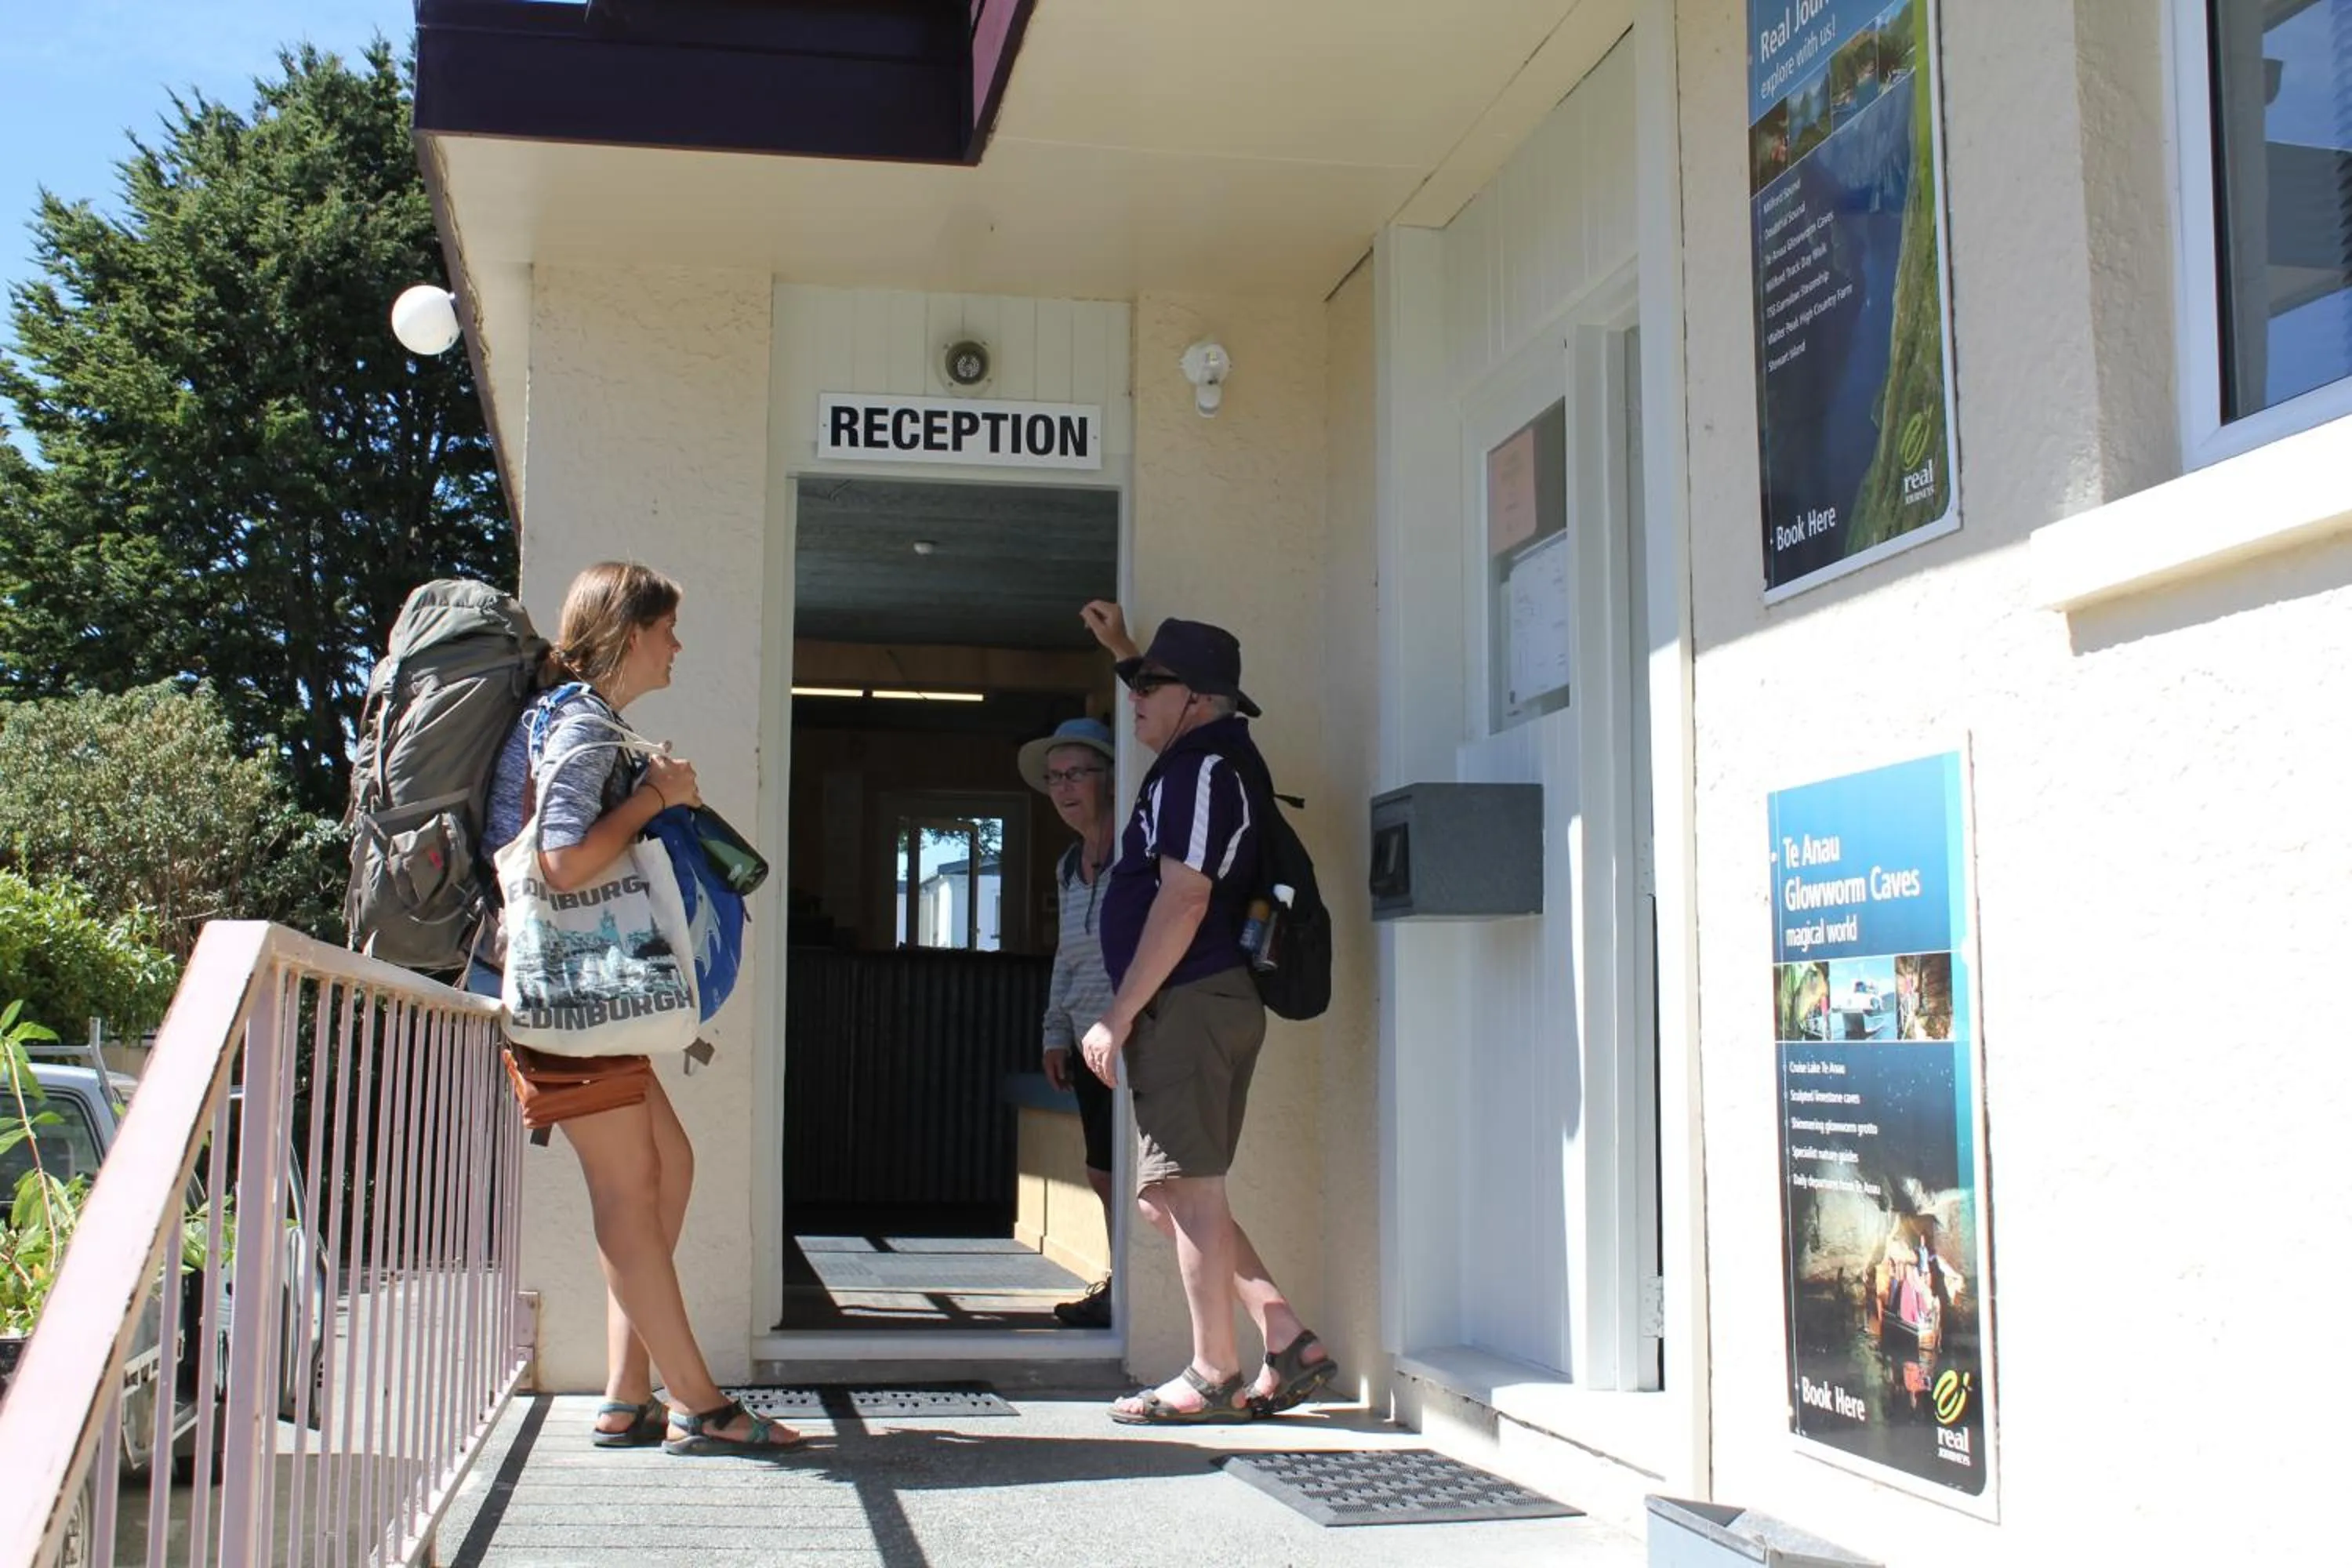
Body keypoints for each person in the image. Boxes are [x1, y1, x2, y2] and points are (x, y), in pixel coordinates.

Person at [466, 561, 799, 1457]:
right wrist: (661, 795)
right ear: (627, 633)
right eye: (667, 630)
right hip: (557, 993)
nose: (678, 647)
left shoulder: (581, 720)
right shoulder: (579, 725)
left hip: (584, 997)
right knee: (626, 1184)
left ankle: (627, 1388)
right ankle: (699, 1402)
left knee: (669, 1164)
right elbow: (563, 863)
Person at [1076, 603, 1338, 1423]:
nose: (1134, 697)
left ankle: (1212, 1369)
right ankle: (1286, 1335)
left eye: (1151, 685)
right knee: (1175, 1196)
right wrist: (1127, 651)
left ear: (1198, 699)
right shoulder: (1206, 756)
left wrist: (1117, 1014)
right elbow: (1161, 689)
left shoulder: (1200, 770)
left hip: (1187, 1000)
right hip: (1201, 999)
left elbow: (1185, 897)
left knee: (1185, 1191)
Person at [1019, 716, 1123, 1328]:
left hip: (1132, 1036)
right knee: (1103, 1169)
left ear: (1109, 778)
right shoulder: (1068, 865)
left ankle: (1130, 1291)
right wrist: (1054, 1032)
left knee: (1120, 1173)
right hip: (1086, 1041)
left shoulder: (1135, 856)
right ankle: (1124, 1287)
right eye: (1055, 778)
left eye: (1076, 774)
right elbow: (1067, 952)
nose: (1063, 789)